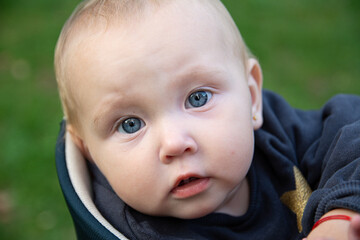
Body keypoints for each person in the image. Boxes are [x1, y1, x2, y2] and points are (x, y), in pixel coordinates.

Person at [54, 0, 360, 239]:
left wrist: (341, 213)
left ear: (252, 97)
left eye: (197, 98)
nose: (174, 142)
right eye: (130, 124)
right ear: (88, 152)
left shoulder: (274, 131)